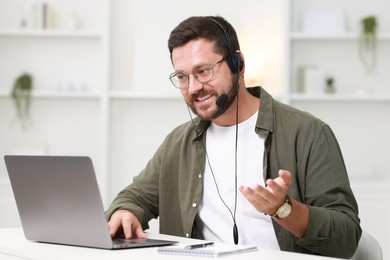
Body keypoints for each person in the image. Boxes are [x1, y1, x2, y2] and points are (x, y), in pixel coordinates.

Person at [105, 15, 361, 258]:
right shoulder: (179, 141)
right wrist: (125, 211)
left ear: (238, 64)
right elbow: (136, 197)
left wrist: (284, 209)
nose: (193, 87)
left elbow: (347, 236)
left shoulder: (308, 133)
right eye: (183, 77)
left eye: (203, 71)